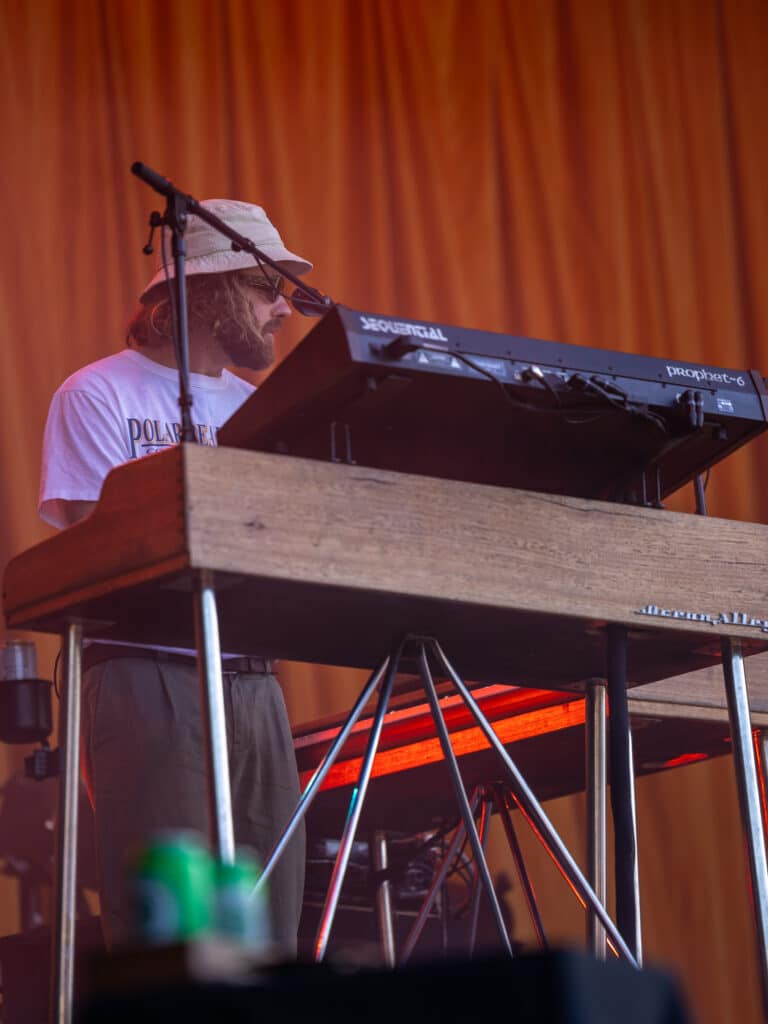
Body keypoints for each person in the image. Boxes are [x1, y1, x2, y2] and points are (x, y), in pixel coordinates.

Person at [38, 199, 311, 952]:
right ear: (210, 291)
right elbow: (102, 546)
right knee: (173, 937)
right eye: (266, 287)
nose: (282, 309)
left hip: (254, 682)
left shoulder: (260, 408)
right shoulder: (97, 393)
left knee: (270, 930)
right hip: (148, 671)